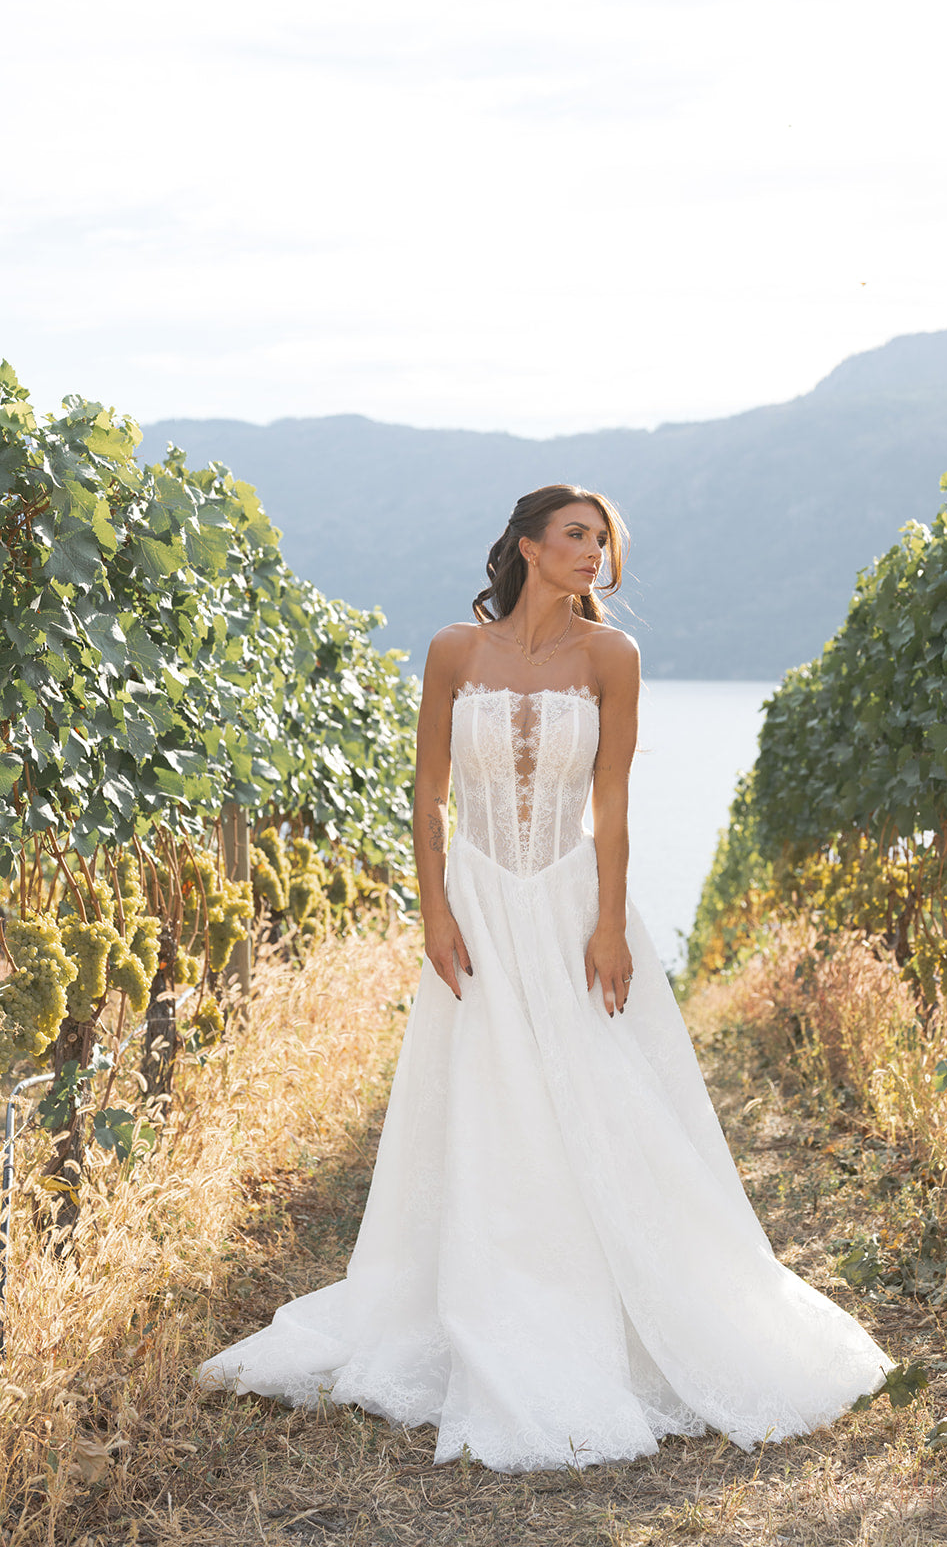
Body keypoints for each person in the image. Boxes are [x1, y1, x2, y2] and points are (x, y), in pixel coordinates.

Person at [199, 484, 893, 1472]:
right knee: (484, 1104)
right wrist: (434, 909)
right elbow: (426, 791)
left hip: (569, 902)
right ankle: (489, 1297)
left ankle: (637, 1308)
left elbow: (610, 804)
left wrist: (608, 925)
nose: (591, 551)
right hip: (477, 901)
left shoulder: (613, 656)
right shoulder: (452, 651)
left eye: (601, 539)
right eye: (574, 534)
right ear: (525, 545)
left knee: (607, 1101)